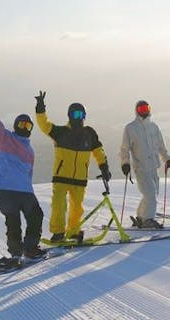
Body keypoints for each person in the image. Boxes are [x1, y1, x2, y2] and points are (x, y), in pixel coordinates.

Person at [0, 89, 44, 269]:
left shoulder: (30, 151)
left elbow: (29, 174)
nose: (24, 128)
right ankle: (15, 254)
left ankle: (29, 248)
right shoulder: (5, 138)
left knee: (36, 215)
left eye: (28, 126)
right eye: (21, 125)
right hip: (6, 190)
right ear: (15, 125)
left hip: (24, 191)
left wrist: (30, 190)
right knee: (14, 222)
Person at [34, 91, 111, 243]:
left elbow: (98, 151)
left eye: (81, 115)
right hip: (61, 177)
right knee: (59, 206)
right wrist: (40, 109)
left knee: (77, 208)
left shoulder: (89, 133)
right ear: (69, 116)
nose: (79, 118)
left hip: (80, 178)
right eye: (75, 115)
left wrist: (104, 166)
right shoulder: (60, 132)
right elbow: (44, 125)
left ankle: (74, 232)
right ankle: (58, 233)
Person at [120, 100, 170, 228]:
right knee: (150, 194)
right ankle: (148, 219)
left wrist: (167, 159)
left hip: (154, 166)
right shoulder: (131, 128)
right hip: (141, 167)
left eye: (146, 108)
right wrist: (125, 163)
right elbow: (124, 148)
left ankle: (141, 216)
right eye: (141, 109)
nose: (144, 111)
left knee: (151, 193)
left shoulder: (154, 127)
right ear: (136, 111)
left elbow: (161, 145)